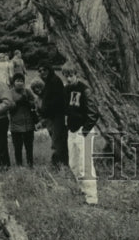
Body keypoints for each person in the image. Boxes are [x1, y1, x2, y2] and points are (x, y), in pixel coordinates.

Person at [62, 63, 101, 204]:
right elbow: (66, 110)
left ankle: (92, 198)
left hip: (84, 131)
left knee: (86, 165)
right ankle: (82, 190)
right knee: (73, 164)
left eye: (71, 75)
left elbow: (94, 113)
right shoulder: (66, 90)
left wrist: (84, 131)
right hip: (71, 131)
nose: (68, 79)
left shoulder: (85, 90)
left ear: (76, 75)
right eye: (66, 76)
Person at [36, 63, 68, 169]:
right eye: (40, 71)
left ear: (49, 70)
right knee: (57, 140)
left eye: (44, 70)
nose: (42, 72)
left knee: (57, 141)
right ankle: (60, 163)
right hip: (52, 117)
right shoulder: (49, 82)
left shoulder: (54, 81)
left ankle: (58, 164)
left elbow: (56, 102)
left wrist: (44, 110)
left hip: (57, 116)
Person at [9, 73, 38, 167]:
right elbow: (9, 107)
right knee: (17, 148)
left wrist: (28, 102)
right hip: (15, 126)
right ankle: (19, 165)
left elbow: (35, 102)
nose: (20, 83)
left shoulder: (27, 91)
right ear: (13, 83)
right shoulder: (10, 93)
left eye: (21, 81)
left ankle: (30, 165)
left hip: (28, 125)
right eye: (17, 81)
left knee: (29, 147)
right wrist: (18, 102)